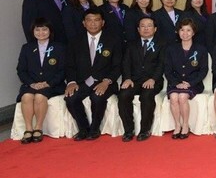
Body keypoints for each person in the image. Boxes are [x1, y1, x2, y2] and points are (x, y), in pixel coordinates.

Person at [64, 8, 122, 141]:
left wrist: (107, 81)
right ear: (84, 23)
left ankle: (94, 129)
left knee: (97, 97)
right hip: (82, 81)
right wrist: (71, 82)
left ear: (103, 22)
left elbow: (117, 66)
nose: (93, 23)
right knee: (70, 98)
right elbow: (70, 65)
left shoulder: (113, 40)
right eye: (89, 20)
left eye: (97, 20)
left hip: (105, 81)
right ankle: (83, 129)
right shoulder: (75, 41)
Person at [16, 18, 66, 144]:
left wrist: (48, 83)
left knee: (39, 96)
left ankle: (38, 128)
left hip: (52, 84)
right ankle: (28, 129)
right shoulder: (27, 48)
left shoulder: (59, 47)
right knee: (26, 96)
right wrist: (32, 83)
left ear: (50, 31)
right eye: (37, 29)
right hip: (31, 83)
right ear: (33, 31)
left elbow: (63, 70)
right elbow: (21, 70)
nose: (41, 32)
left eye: (44, 29)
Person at [118, 17, 166, 142]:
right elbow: (126, 63)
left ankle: (145, 130)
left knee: (146, 96)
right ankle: (129, 130)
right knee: (123, 95)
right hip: (134, 80)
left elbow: (161, 64)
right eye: (142, 26)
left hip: (152, 80)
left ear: (155, 29)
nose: (146, 28)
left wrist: (153, 79)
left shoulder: (162, 44)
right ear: (138, 29)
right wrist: (127, 78)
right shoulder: (131, 44)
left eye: (149, 26)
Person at [164, 18, 209, 140]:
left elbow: (203, 70)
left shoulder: (201, 49)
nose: (185, 33)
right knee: (174, 97)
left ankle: (185, 125)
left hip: (194, 83)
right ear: (178, 32)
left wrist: (190, 83)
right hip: (175, 83)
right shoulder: (171, 49)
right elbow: (167, 70)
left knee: (183, 97)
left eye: (188, 30)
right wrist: (176, 83)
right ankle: (177, 125)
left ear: (193, 32)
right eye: (182, 30)